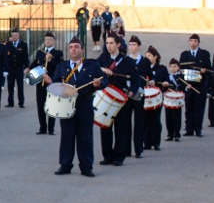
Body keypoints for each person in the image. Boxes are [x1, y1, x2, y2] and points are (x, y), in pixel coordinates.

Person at [47, 37, 103, 177]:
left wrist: (98, 84)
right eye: (71, 47)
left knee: (85, 136)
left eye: (76, 47)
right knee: (67, 136)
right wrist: (50, 83)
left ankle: (86, 167)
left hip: (85, 104)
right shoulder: (62, 66)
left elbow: (103, 80)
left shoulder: (92, 65)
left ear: (82, 50)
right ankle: (65, 165)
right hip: (66, 105)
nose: (73, 49)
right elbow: (55, 85)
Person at [97, 34, 136, 166]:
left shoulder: (128, 62)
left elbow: (136, 80)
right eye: (107, 43)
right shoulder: (102, 59)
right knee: (105, 127)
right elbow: (92, 69)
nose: (108, 46)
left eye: (111, 43)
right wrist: (102, 69)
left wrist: (132, 91)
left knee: (121, 128)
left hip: (121, 99)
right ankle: (107, 156)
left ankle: (119, 156)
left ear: (118, 44)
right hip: (105, 97)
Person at [29, 31, 63, 136]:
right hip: (40, 83)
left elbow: (59, 66)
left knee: (51, 105)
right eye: (46, 40)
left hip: (51, 82)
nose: (47, 41)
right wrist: (28, 68)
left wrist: (51, 59)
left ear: (54, 41)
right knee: (40, 105)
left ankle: (51, 128)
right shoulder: (40, 52)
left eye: (50, 40)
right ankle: (42, 127)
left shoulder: (58, 53)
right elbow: (36, 62)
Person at [179, 34, 211, 137]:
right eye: (191, 41)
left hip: (200, 85)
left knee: (199, 108)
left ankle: (198, 129)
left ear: (199, 43)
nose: (193, 43)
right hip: (188, 84)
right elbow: (181, 70)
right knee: (189, 108)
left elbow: (209, 69)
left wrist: (204, 71)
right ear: (189, 42)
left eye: (195, 41)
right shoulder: (184, 55)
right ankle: (189, 129)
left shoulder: (204, 54)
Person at [125, 35, 150, 159]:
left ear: (139, 47)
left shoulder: (145, 61)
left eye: (134, 45)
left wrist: (152, 81)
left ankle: (138, 149)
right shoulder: (125, 60)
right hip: (127, 94)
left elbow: (150, 76)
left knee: (139, 122)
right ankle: (127, 149)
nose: (131, 47)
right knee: (126, 123)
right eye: (130, 45)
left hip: (139, 95)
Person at [143, 47, 168, 152]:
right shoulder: (143, 68)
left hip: (157, 98)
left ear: (155, 57)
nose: (147, 58)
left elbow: (166, 82)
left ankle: (156, 142)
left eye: (149, 56)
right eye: (146, 56)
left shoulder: (162, 69)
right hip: (145, 97)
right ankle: (146, 143)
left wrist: (165, 84)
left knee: (155, 120)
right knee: (145, 120)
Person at [5, 29, 28, 109]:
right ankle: (10, 102)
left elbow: (25, 57)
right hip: (10, 68)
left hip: (19, 68)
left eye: (16, 35)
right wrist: (5, 68)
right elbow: (6, 57)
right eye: (13, 35)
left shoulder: (23, 44)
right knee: (10, 86)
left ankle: (21, 102)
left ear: (19, 36)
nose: (14, 37)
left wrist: (26, 67)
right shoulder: (8, 44)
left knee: (20, 86)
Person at [163, 59, 185, 142]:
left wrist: (186, 88)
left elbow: (183, 87)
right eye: (171, 66)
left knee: (176, 117)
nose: (172, 68)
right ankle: (169, 134)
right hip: (168, 99)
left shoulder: (181, 77)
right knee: (168, 117)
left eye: (175, 66)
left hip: (177, 100)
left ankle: (177, 134)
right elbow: (163, 87)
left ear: (178, 67)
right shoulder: (167, 77)